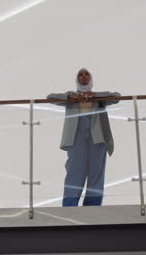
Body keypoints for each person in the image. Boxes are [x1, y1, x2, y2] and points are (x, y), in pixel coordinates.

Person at [47, 68, 120, 206]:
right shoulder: (71, 97)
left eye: (86, 74)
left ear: (91, 78)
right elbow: (49, 97)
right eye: (80, 74)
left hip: (97, 135)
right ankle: (70, 203)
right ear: (77, 78)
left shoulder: (99, 97)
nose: (84, 76)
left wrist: (96, 96)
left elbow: (117, 97)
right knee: (74, 169)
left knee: (96, 170)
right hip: (75, 136)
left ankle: (93, 203)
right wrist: (69, 96)